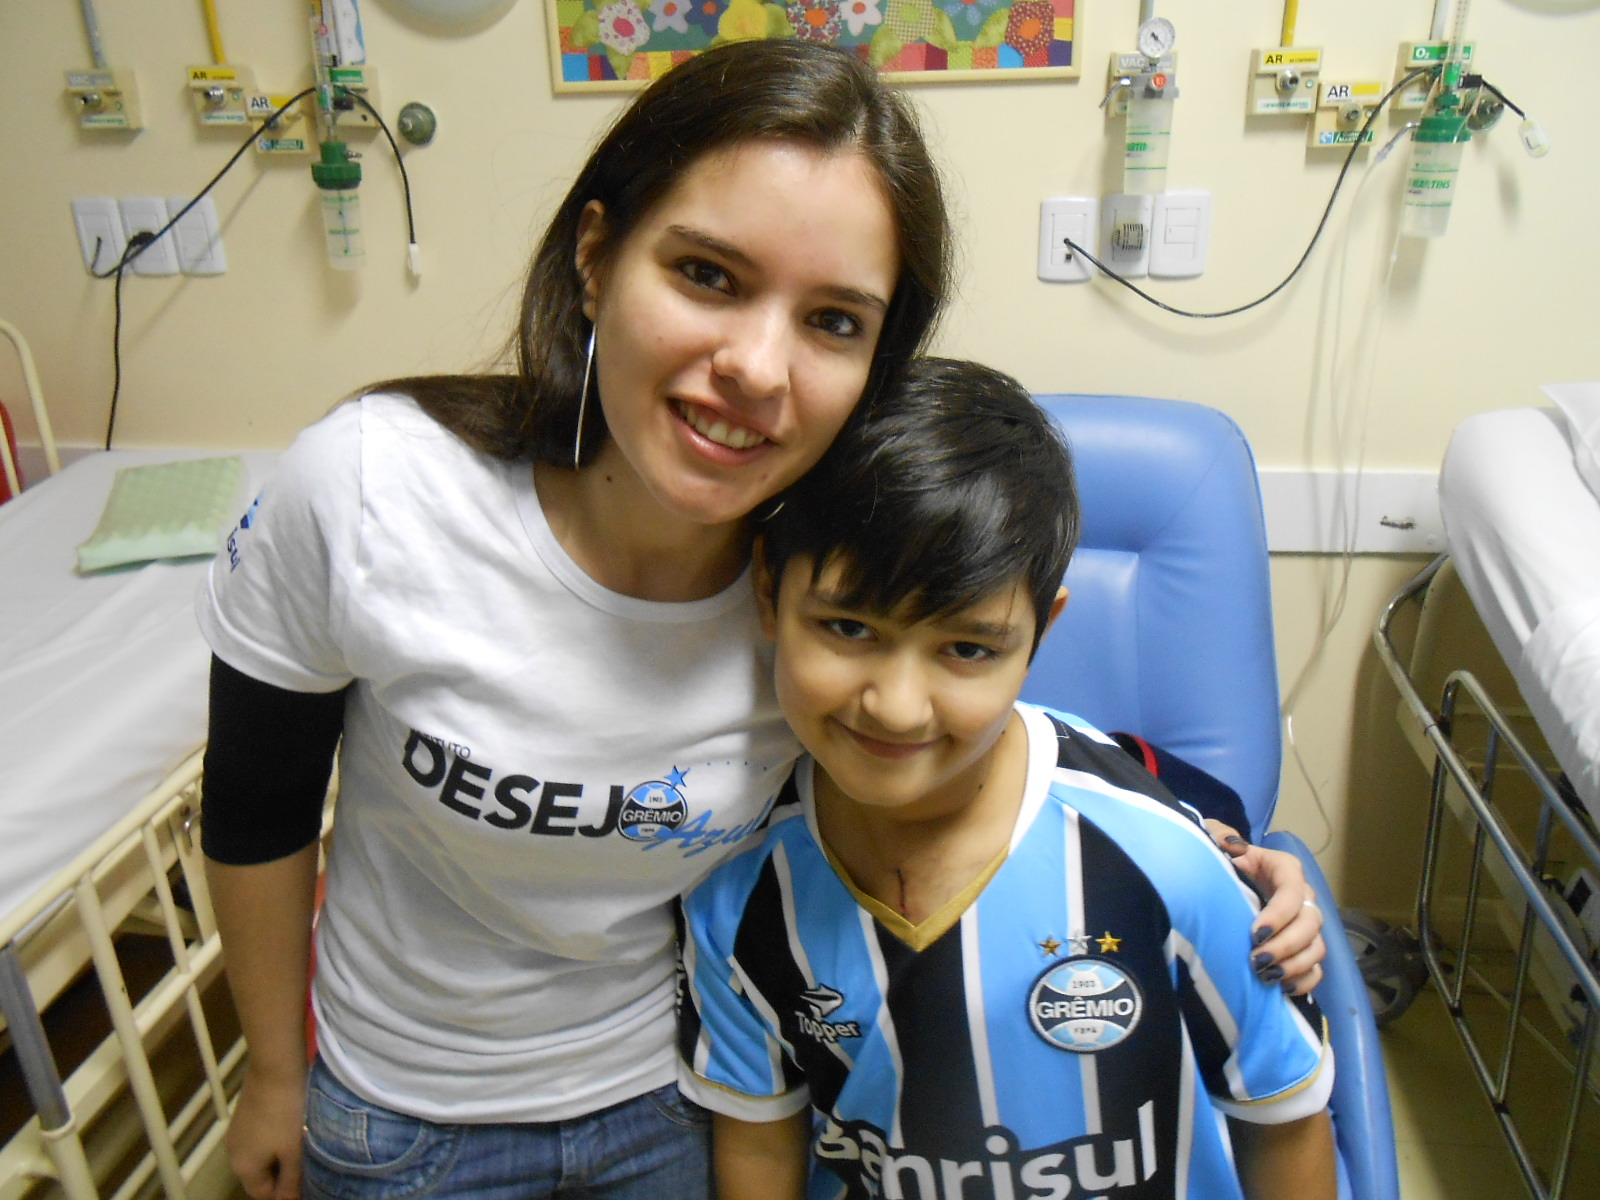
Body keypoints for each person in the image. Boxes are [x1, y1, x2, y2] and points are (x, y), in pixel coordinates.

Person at [197, 40, 1325, 1200]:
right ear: (596, 257)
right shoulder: (372, 495)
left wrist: (1241, 860)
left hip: (691, 1092)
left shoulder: (833, 589)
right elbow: (254, 802)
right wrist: (275, 1074)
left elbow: (1027, 743)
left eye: (834, 322)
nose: (755, 368)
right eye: (707, 275)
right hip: (406, 1106)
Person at [677, 357, 1337, 1200]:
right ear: (769, 591)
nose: (899, 706)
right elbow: (761, 1151)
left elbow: (1281, 1122)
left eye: (966, 649)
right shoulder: (739, 900)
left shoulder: (1164, 864)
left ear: (1040, 632)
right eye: (848, 627)